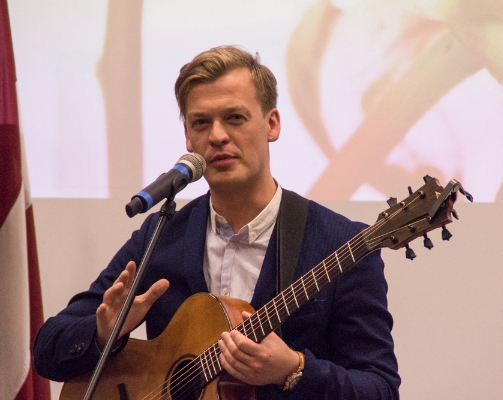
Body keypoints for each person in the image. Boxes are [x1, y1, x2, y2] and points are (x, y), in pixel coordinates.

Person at [33, 45, 400, 399]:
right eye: (201, 122)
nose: (218, 136)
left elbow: (380, 388)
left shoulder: (341, 243)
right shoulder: (162, 236)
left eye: (235, 118)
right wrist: (103, 333)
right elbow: (48, 348)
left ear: (272, 124)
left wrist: (294, 370)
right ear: (188, 137)